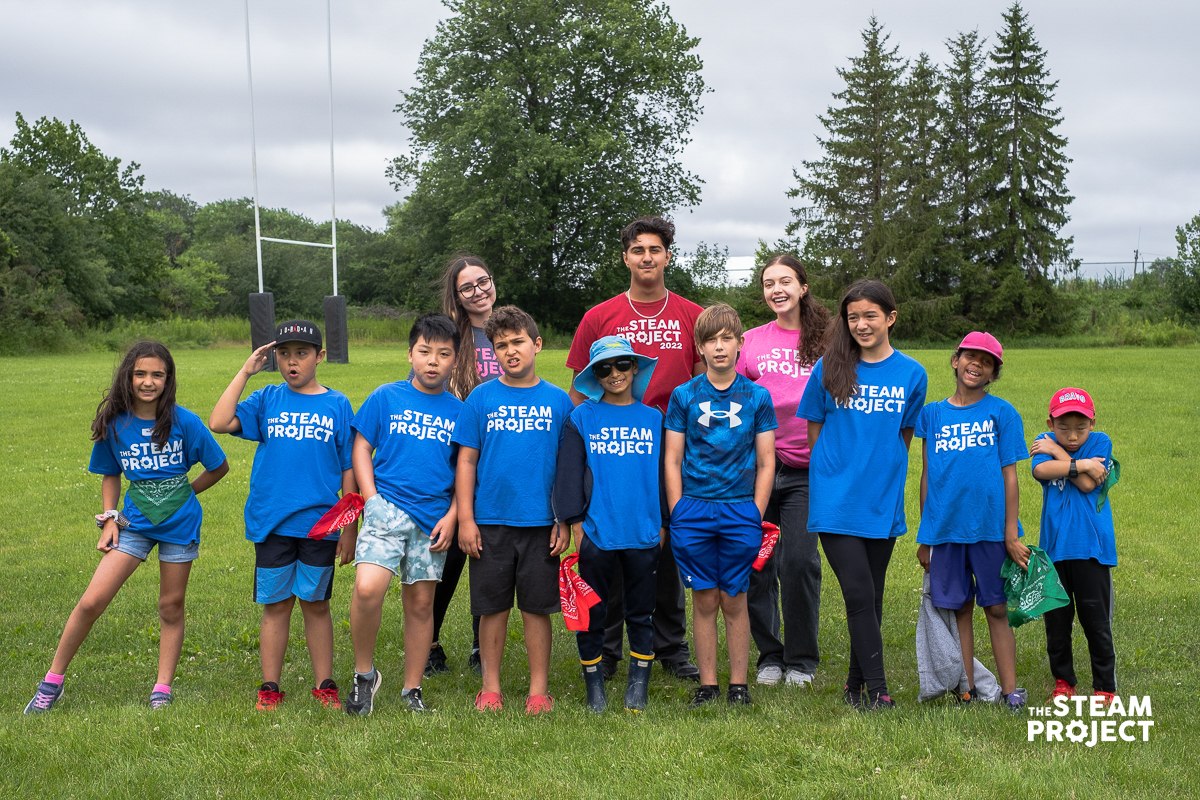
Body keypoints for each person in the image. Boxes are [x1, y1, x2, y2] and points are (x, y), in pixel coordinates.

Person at [25, 341, 228, 714]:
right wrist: (109, 519)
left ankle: (162, 688)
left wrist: (186, 491)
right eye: (140, 374)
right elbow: (109, 474)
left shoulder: (185, 422)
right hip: (134, 523)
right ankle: (52, 681)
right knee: (92, 600)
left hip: (180, 525)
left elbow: (219, 465)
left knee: (171, 606)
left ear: (168, 380)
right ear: (128, 377)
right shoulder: (115, 425)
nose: (148, 382)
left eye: (157, 375)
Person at [566, 215, 702, 682]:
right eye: (638, 250)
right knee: (608, 543)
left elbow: (707, 381)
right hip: (612, 444)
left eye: (655, 249)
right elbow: (579, 389)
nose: (647, 257)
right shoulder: (599, 316)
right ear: (625, 256)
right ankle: (606, 648)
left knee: (664, 545)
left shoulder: (691, 314)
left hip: (672, 445)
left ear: (668, 255)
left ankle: (669, 646)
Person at [209, 320, 356, 711]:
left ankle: (324, 684)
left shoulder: (337, 404)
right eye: (285, 354)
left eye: (302, 354)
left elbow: (348, 470)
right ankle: (270, 687)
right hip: (272, 522)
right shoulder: (267, 399)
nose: (293, 362)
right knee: (276, 606)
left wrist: (349, 526)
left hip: (320, 526)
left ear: (320, 356)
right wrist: (245, 371)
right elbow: (219, 422)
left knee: (316, 604)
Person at [797, 279, 927, 711]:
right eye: (853, 317)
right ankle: (880, 690)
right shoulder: (828, 368)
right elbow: (815, 429)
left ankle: (853, 686)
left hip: (881, 500)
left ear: (890, 318)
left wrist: (878, 469)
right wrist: (836, 472)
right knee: (856, 593)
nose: (861, 324)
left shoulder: (912, 374)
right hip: (836, 499)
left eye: (870, 315)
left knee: (872, 595)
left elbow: (903, 435)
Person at [453, 306, 574, 714]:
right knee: (492, 607)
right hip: (490, 524)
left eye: (518, 342)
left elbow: (566, 467)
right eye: (501, 345)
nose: (510, 351)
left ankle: (539, 690)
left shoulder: (559, 402)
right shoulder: (480, 398)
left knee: (537, 609)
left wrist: (563, 520)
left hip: (541, 524)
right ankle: (491, 687)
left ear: (537, 345)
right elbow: (466, 461)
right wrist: (466, 519)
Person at [344, 314, 464, 715]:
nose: (433, 361)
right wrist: (371, 498)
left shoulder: (459, 411)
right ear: (410, 354)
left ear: (454, 361)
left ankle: (412, 689)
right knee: (366, 589)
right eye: (425, 351)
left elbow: (466, 471)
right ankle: (365, 675)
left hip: (432, 520)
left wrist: (453, 515)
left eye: (443, 354)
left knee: (420, 605)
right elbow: (361, 448)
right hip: (386, 509)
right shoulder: (386, 396)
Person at [664, 304, 777, 707]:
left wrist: (755, 511)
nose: (719, 347)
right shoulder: (685, 395)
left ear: (740, 344)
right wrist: (678, 510)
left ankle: (739, 685)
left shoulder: (757, 397)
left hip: (739, 509)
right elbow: (673, 458)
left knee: (735, 596)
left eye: (727, 338)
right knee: (705, 597)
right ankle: (708, 683)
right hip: (694, 509)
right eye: (710, 340)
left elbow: (767, 461)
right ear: (700, 347)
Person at [914, 331, 1030, 711]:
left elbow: (1010, 476)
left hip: (990, 530)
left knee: (996, 607)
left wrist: (1010, 533)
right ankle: (968, 687)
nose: (976, 364)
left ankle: (1011, 689)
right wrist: (925, 535)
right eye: (970, 357)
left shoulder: (1002, 413)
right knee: (959, 606)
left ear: (993, 373)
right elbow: (927, 476)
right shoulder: (932, 414)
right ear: (955, 360)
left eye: (986, 361)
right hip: (946, 531)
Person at [554, 336, 665, 712]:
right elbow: (568, 475)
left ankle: (638, 682)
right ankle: (594, 685)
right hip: (598, 534)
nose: (614, 374)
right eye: (604, 369)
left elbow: (666, 477)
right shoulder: (582, 418)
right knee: (593, 612)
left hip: (644, 532)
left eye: (621, 365)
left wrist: (664, 523)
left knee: (640, 611)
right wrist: (575, 521)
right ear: (594, 376)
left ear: (635, 368)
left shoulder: (654, 419)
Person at [735, 254, 829, 689]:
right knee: (757, 563)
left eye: (785, 281)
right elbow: (731, 399)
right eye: (769, 282)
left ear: (803, 287)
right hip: (756, 472)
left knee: (799, 562)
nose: (777, 289)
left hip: (807, 472)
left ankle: (802, 658)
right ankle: (770, 654)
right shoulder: (751, 341)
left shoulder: (829, 338)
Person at [427, 255, 501, 677]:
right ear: (456, 296)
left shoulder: (510, 328)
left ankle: (480, 644)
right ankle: (430, 639)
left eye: (483, 281)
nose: (478, 291)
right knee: (451, 551)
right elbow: (430, 385)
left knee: (488, 550)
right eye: (467, 287)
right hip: (458, 454)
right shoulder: (451, 336)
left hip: (502, 456)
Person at [1030, 387, 1118, 705]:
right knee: (1057, 622)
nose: (1072, 435)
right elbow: (1040, 470)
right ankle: (1064, 681)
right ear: (1050, 422)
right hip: (1054, 550)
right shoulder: (1045, 440)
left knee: (1095, 620)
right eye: (1063, 428)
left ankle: (1105, 686)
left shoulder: (1100, 442)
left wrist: (1059, 454)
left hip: (1091, 549)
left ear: (1092, 423)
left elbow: (1086, 484)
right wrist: (1079, 462)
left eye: (1080, 428)